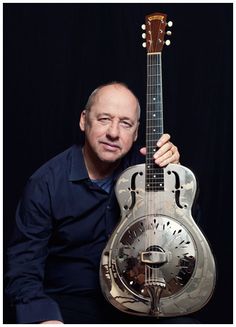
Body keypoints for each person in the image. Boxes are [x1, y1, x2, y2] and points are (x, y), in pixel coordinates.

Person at [5, 82, 200, 324]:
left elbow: (182, 246)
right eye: (104, 119)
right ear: (83, 120)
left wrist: (174, 181)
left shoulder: (146, 175)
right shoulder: (45, 183)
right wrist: (44, 318)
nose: (114, 133)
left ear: (137, 133)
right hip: (69, 303)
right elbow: (23, 268)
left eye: (125, 123)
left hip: (136, 299)